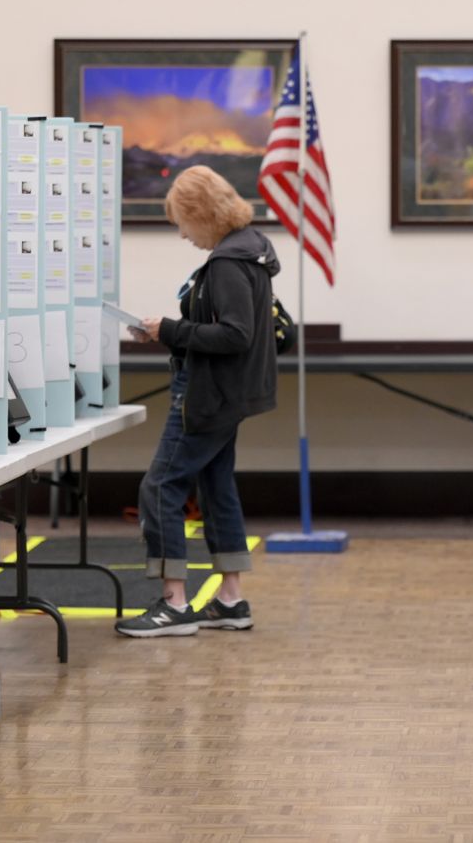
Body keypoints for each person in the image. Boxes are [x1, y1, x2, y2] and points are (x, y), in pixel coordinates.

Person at [114, 166, 279, 639]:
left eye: (182, 224)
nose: (183, 236)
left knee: (160, 487)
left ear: (201, 215)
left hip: (207, 395)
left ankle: (174, 604)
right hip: (229, 393)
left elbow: (234, 334)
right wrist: (168, 335)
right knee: (214, 485)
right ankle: (230, 598)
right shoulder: (251, 250)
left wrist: (169, 329)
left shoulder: (227, 263)